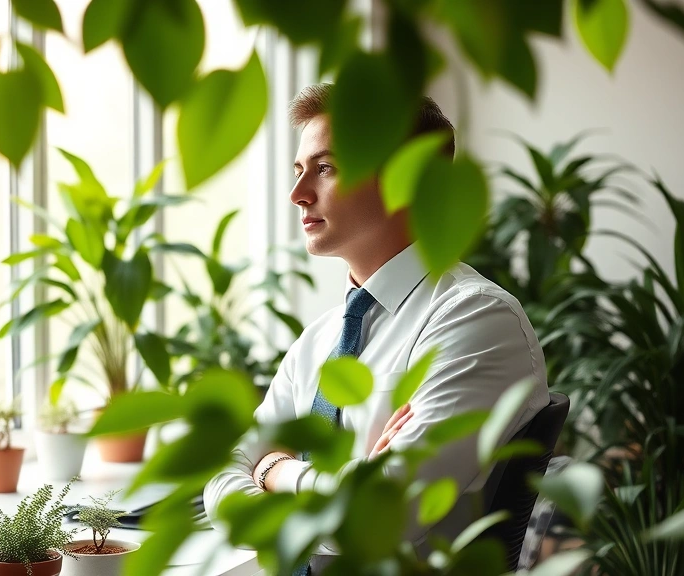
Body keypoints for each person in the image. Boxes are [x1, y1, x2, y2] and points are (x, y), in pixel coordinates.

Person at [202, 83, 550, 572]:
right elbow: (222, 489)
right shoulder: (320, 341)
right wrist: (346, 481)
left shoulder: (476, 321)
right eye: (300, 170)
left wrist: (274, 471)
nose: (298, 194)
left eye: (325, 168)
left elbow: (377, 520)